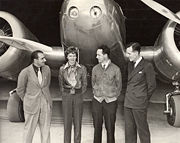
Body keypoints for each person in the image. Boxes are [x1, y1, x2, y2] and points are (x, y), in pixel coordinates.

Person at [16, 50, 52, 143]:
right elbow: (20, 90)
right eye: (42, 58)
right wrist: (27, 100)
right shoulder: (25, 72)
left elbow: (46, 85)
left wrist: (46, 101)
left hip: (45, 103)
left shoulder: (47, 69)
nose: (45, 60)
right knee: (29, 131)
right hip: (31, 105)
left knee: (46, 130)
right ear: (35, 60)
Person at [124, 42, 156, 143]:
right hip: (128, 103)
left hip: (139, 104)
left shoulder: (147, 66)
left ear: (137, 52)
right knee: (129, 131)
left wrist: (143, 99)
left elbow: (152, 86)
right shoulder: (129, 65)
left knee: (143, 131)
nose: (127, 55)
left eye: (129, 53)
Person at [91, 45, 122, 143]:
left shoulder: (116, 69)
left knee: (110, 128)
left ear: (105, 55)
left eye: (98, 55)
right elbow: (93, 83)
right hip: (97, 101)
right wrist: (97, 93)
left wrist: (112, 96)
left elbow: (119, 86)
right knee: (97, 128)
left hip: (110, 102)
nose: (96, 57)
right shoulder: (95, 68)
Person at [58, 46, 87, 143]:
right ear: (67, 57)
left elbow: (85, 84)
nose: (72, 58)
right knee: (67, 122)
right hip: (67, 97)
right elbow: (61, 84)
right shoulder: (62, 69)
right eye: (70, 56)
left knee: (78, 122)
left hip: (78, 96)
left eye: (74, 56)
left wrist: (78, 93)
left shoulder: (82, 68)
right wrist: (66, 94)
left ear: (76, 57)